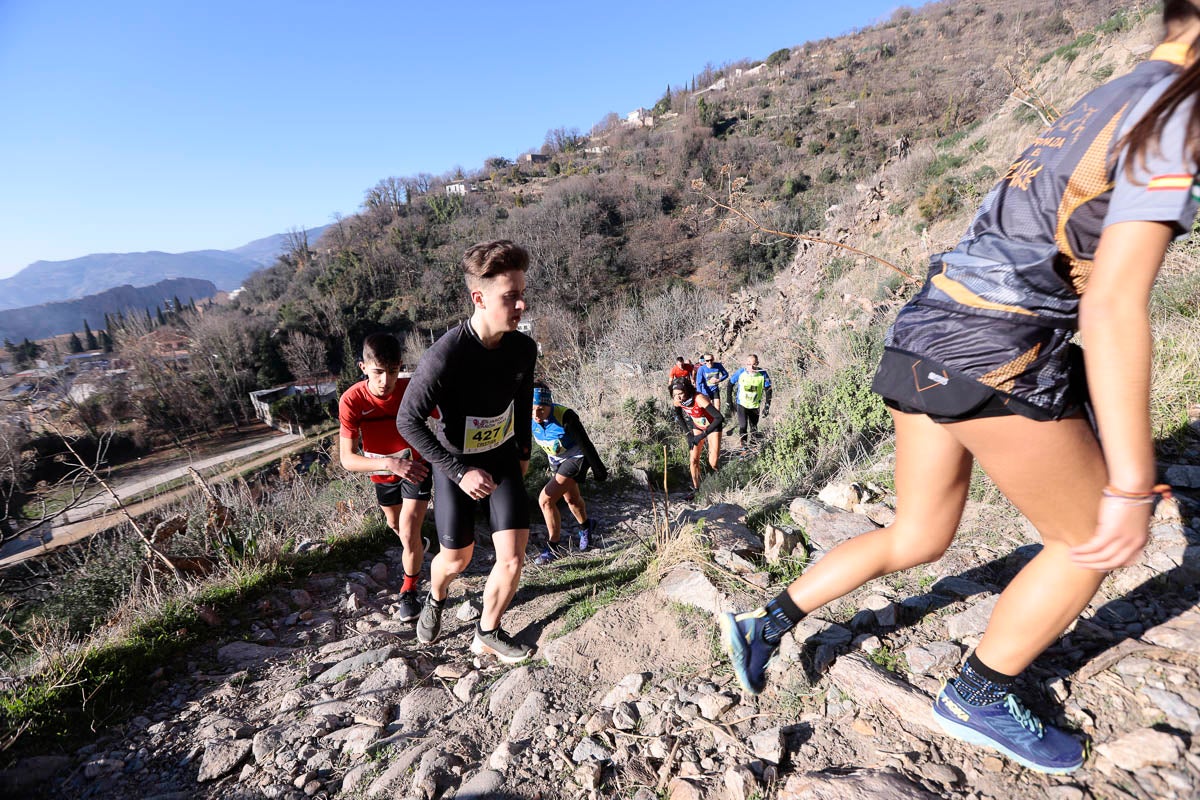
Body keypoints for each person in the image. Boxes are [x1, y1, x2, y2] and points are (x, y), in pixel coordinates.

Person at [720, 4, 1200, 775]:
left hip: (923, 330)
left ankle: (765, 621)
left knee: (919, 536)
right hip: (995, 349)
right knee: (1088, 540)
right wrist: (1133, 482)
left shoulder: (1110, 94)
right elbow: (1112, 305)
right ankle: (980, 690)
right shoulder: (1178, 114)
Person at [397, 240, 538, 664]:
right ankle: (435, 596)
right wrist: (458, 472)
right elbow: (408, 421)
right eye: (509, 297)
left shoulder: (522, 348)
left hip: (502, 457)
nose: (521, 305)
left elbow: (522, 396)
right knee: (456, 560)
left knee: (512, 560)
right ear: (479, 297)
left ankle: (489, 630)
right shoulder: (446, 356)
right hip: (454, 465)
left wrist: (524, 450)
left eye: (521, 293)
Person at [337, 333, 432, 623]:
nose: (385, 381)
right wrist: (389, 464)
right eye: (378, 372)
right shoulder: (352, 400)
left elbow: (442, 421)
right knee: (395, 525)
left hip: (416, 468)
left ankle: (409, 591)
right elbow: (347, 458)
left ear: (399, 367)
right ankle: (417, 545)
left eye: (392, 372)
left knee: (407, 528)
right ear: (363, 368)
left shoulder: (412, 389)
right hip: (383, 473)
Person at [530, 382, 609, 564]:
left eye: (540, 410)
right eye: (532, 409)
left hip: (576, 457)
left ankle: (553, 547)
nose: (536, 415)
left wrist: (599, 470)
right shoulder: (529, 417)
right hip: (556, 460)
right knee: (571, 500)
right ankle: (586, 527)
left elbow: (585, 443)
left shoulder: (565, 416)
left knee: (546, 499)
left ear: (549, 405)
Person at [671, 377, 724, 494]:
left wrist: (703, 435)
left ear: (687, 391)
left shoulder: (699, 399)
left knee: (713, 462)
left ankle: (721, 481)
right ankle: (697, 489)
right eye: (675, 395)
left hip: (713, 426)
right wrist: (688, 434)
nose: (678, 397)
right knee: (693, 459)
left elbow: (719, 418)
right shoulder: (677, 400)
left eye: (680, 394)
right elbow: (678, 416)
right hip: (698, 426)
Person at [725, 354, 772, 445]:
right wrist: (729, 400)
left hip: (754, 405)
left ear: (757, 363)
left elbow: (768, 390)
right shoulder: (741, 372)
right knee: (743, 426)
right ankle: (744, 447)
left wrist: (767, 406)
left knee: (754, 427)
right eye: (749, 364)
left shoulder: (763, 374)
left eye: (754, 364)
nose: (751, 367)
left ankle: (754, 446)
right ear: (745, 364)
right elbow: (730, 384)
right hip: (742, 404)